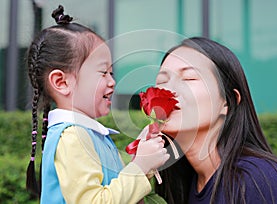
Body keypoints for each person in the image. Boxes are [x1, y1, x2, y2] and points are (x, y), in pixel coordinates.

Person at [25, 5, 169, 203]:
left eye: (112, 73)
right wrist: (140, 166)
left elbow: (115, 191)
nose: (112, 82)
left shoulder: (86, 134)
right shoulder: (72, 136)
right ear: (62, 82)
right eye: (103, 73)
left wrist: (141, 157)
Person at [152, 37, 277, 203]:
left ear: (228, 102)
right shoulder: (179, 185)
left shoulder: (259, 179)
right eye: (162, 81)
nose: (168, 89)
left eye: (189, 78)